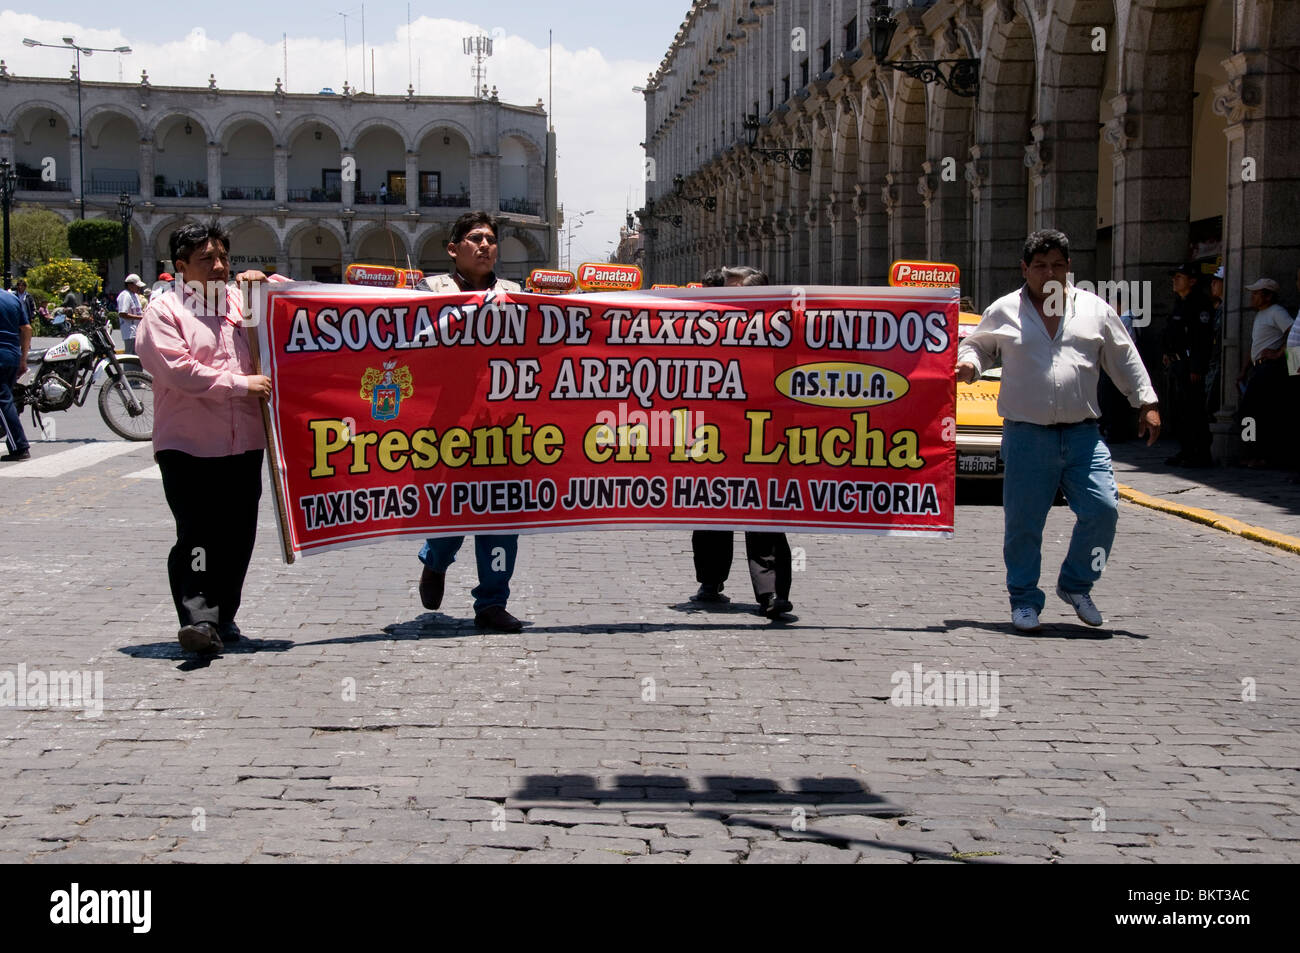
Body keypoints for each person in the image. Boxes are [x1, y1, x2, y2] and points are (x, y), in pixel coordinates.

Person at [956, 229, 1160, 632]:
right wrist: (969, 366)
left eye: (1058, 265)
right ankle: (1024, 599)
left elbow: (1124, 356)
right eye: (1040, 266)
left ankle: (1076, 583)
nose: (1050, 273)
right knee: (1024, 524)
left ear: (1069, 268)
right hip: (1027, 434)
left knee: (1103, 509)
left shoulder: (1093, 309)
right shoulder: (1004, 310)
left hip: (1084, 434)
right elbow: (978, 345)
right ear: (1024, 269)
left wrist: (1147, 401)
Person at [135, 223, 279, 654]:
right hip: (189, 446)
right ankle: (198, 619)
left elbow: (296, 306)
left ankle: (224, 617)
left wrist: (267, 283)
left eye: (223, 258)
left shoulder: (243, 303)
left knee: (239, 535)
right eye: (206, 260)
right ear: (181, 268)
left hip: (245, 443)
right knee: (198, 534)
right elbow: (178, 371)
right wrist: (240, 385)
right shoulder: (164, 312)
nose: (218, 267)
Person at [413, 211, 526, 633]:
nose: (484, 245)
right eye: (475, 238)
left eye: (491, 239)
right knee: (453, 508)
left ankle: (492, 602)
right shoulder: (428, 291)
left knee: (501, 514)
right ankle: (435, 560)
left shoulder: (516, 293)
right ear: (453, 248)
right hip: (448, 422)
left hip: (502, 425)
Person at [689, 265, 794, 619]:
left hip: (763, 437)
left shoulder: (784, 330)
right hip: (712, 434)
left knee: (765, 513)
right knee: (711, 508)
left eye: (735, 293)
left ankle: (772, 594)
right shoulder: (706, 326)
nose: (726, 299)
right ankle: (710, 582)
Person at [1235, 277, 1294, 468]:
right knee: (1251, 413)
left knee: (1251, 413)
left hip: (1269, 370)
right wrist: (1244, 370)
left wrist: (1279, 353)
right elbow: (1254, 345)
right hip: (1257, 368)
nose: (1252, 297)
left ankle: (1256, 455)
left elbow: (1293, 331)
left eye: (1257, 293)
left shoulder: (1277, 312)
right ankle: (1251, 453)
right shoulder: (1261, 315)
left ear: (1268, 296)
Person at [1161, 263, 1213, 466]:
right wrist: (1167, 352)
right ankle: (1185, 449)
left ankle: (1199, 453)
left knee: (1194, 411)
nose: (1175, 280)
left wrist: (1196, 367)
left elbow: (1202, 339)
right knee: (1179, 411)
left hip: (1190, 365)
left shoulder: (1199, 304)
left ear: (1192, 281)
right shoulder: (1179, 302)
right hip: (1177, 364)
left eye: (1179, 277)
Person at [1, 287, 32, 463]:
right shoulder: (12, 299)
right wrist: (23, 358)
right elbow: (27, 329)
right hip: (12, 355)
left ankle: (19, 446)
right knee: (6, 400)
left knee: (3, 402)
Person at [1205, 266, 1225, 417]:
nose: (1212, 285)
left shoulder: (1276, 312)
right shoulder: (1220, 309)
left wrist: (1278, 353)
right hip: (1214, 361)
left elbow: (1293, 339)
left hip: (1294, 364)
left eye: (1216, 282)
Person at [116, 274, 147, 355]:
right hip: (130, 332)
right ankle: (130, 368)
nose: (139, 288)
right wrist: (140, 317)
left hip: (137, 331)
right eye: (137, 286)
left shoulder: (135, 295)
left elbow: (138, 310)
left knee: (138, 355)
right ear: (130, 285)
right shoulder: (125, 295)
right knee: (131, 355)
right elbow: (123, 314)